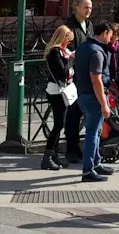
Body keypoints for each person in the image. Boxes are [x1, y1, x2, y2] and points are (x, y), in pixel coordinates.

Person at [73, 19, 116, 182]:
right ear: (104, 33)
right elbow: (96, 79)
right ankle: (88, 169)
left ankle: (96, 163)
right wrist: (104, 104)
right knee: (92, 132)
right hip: (93, 96)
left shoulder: (83, 47)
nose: (110, 39)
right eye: (110, 35)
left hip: (83, 94)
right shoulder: (97, 52)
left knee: (96, 131)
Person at [59, 0, 94, 157]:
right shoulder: (69, 26)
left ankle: (81, 148)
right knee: (73, 112)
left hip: (88, 73)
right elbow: (66, 49)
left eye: (90, 8)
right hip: (75, 75)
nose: (88, 10)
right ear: (77, 8)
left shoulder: (90, 25)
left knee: (84, 111)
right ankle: (71, 149)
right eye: (85, 7)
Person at [41, 26, 76, 170]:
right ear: (62, 37)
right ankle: (47, 156)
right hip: (56, 91)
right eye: (68, 39)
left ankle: (54, 154)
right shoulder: (55, 52)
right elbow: (61, 72)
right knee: (58, 125)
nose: (69, 43)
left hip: (64, 90)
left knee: (60, 123)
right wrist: (71, 60)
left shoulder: (64, 52)